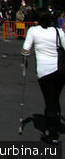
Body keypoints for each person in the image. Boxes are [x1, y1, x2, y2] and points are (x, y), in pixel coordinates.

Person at [21, 9, 65, 145]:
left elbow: (25, 49)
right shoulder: (58, 31)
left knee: (49, 100)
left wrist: (25, 60)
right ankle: (52, 126)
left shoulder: (33, 31)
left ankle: (52, 134)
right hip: (59, 70)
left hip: (44, 71)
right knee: (55, 100)